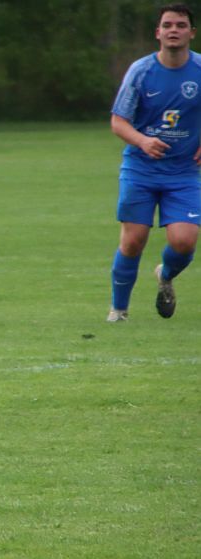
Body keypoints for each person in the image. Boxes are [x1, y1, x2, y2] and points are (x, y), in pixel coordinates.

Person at [107, 3, 201, 322]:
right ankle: (119, 310)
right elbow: (118, 122)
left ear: (192, 32)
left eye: (180, 24)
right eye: (168, 24)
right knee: (133, 241)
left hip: (185, 172)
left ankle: (165, 275)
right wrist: (144, 140)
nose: (174, 29)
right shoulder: (141, 71)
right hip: (141, 169)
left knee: (185, 241)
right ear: (158, 33)